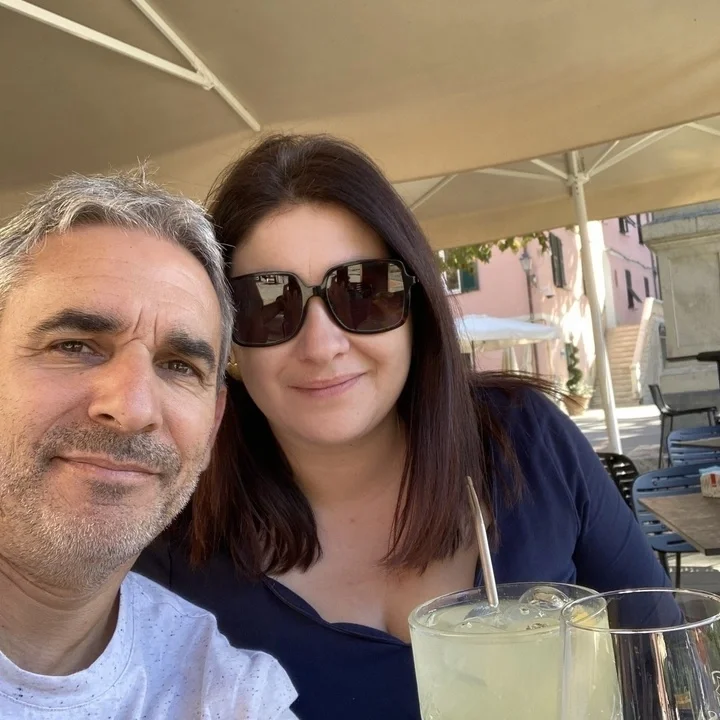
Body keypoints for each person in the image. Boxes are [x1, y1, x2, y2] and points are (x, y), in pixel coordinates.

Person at [135, 134, 670, 720]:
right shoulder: (173, 547)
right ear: (228, 341)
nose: (322, 345)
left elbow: (662, 670)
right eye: (269, 305)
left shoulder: (524, 441)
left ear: (415, 305)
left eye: (362, 291)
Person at [0, 171, 297, 719]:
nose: (134, 408)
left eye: (179, 366)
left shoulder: (228, 695)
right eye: (75, 345)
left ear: (213, 423)